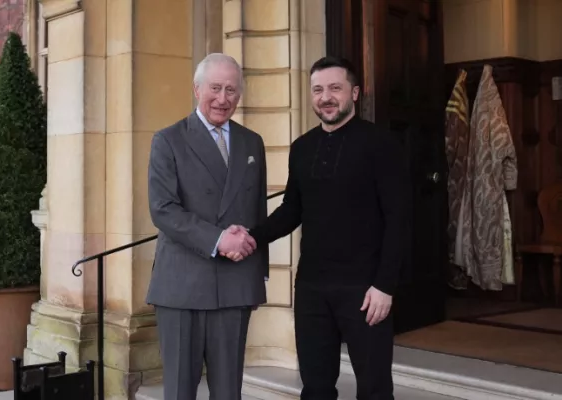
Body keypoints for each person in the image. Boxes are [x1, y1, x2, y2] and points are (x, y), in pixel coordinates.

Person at [223, 56, 409, 399]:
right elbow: (292, 209)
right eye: (318, 89)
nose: (326, 97)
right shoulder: (302, 147)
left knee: (374, 388)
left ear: (355, 92)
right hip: (311, 287)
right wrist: (251, 236)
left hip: (364, 290)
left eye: (335, 88)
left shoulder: (381, 144)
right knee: (316, 387)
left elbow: (399, 219)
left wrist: (384, 285)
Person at [146, 53, 269, 400]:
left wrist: (257, 272)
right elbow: (163, 209)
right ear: (196, 89)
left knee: (229, 391)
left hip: (235, 283)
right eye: (215, 88)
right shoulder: (167, 139)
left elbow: (257, 210)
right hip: (182, 284)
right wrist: (218, 239)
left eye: (232, 89)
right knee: (181, 391)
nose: (223, 98)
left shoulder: (252, 142)